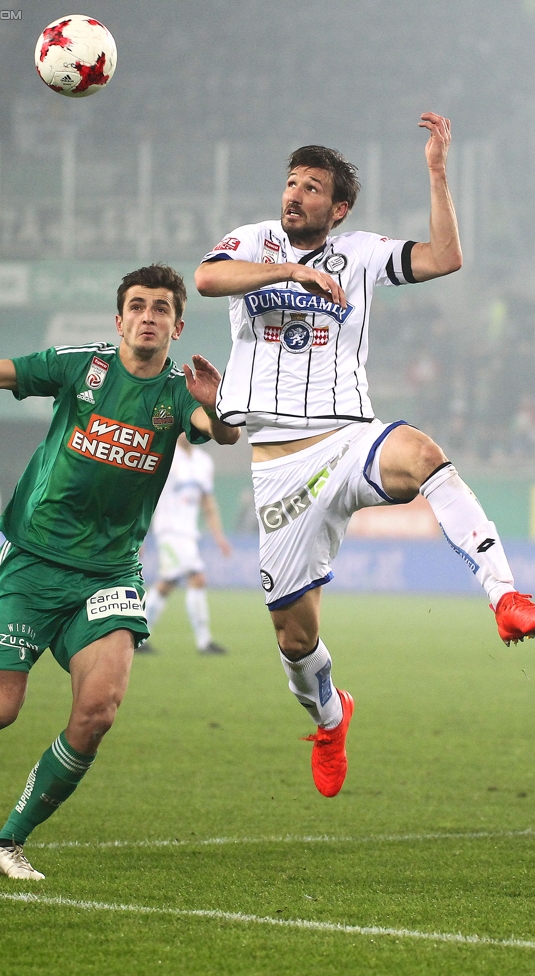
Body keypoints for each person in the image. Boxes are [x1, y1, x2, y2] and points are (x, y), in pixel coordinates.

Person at [194, 112, 535, 800]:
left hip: (349, 438)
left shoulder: (361, 252)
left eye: (311, 188)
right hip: (278, 467)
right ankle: (328, 716)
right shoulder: (254, 240)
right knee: (294, 641)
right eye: (291, 183)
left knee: (424, 454)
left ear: (338, 207)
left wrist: (437, 172)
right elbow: (204, 279)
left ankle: (504, 594)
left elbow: (444, 259)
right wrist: (288, 270)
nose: (294, 195)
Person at [0, 264, 238, 879]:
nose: (148, 316)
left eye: (161, 308)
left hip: (109, 573)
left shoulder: (181, 394)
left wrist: (218, 405)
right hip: (34, 560)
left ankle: (8, 843)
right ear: (119, 318)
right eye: (138, 305)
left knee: (98, 712)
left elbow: (221, 432)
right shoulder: (82, 367)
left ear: (178, 326)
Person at [141, 432, 231, 655]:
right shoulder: (166, 456)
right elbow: (145, 493)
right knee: (196, 578)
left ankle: (138, 638)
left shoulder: (203, 462)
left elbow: (207, 502)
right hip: (168, 530)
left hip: (189, 533)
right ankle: (204, 642)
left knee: (167, 584)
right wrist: (139, 532)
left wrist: (219, 536)